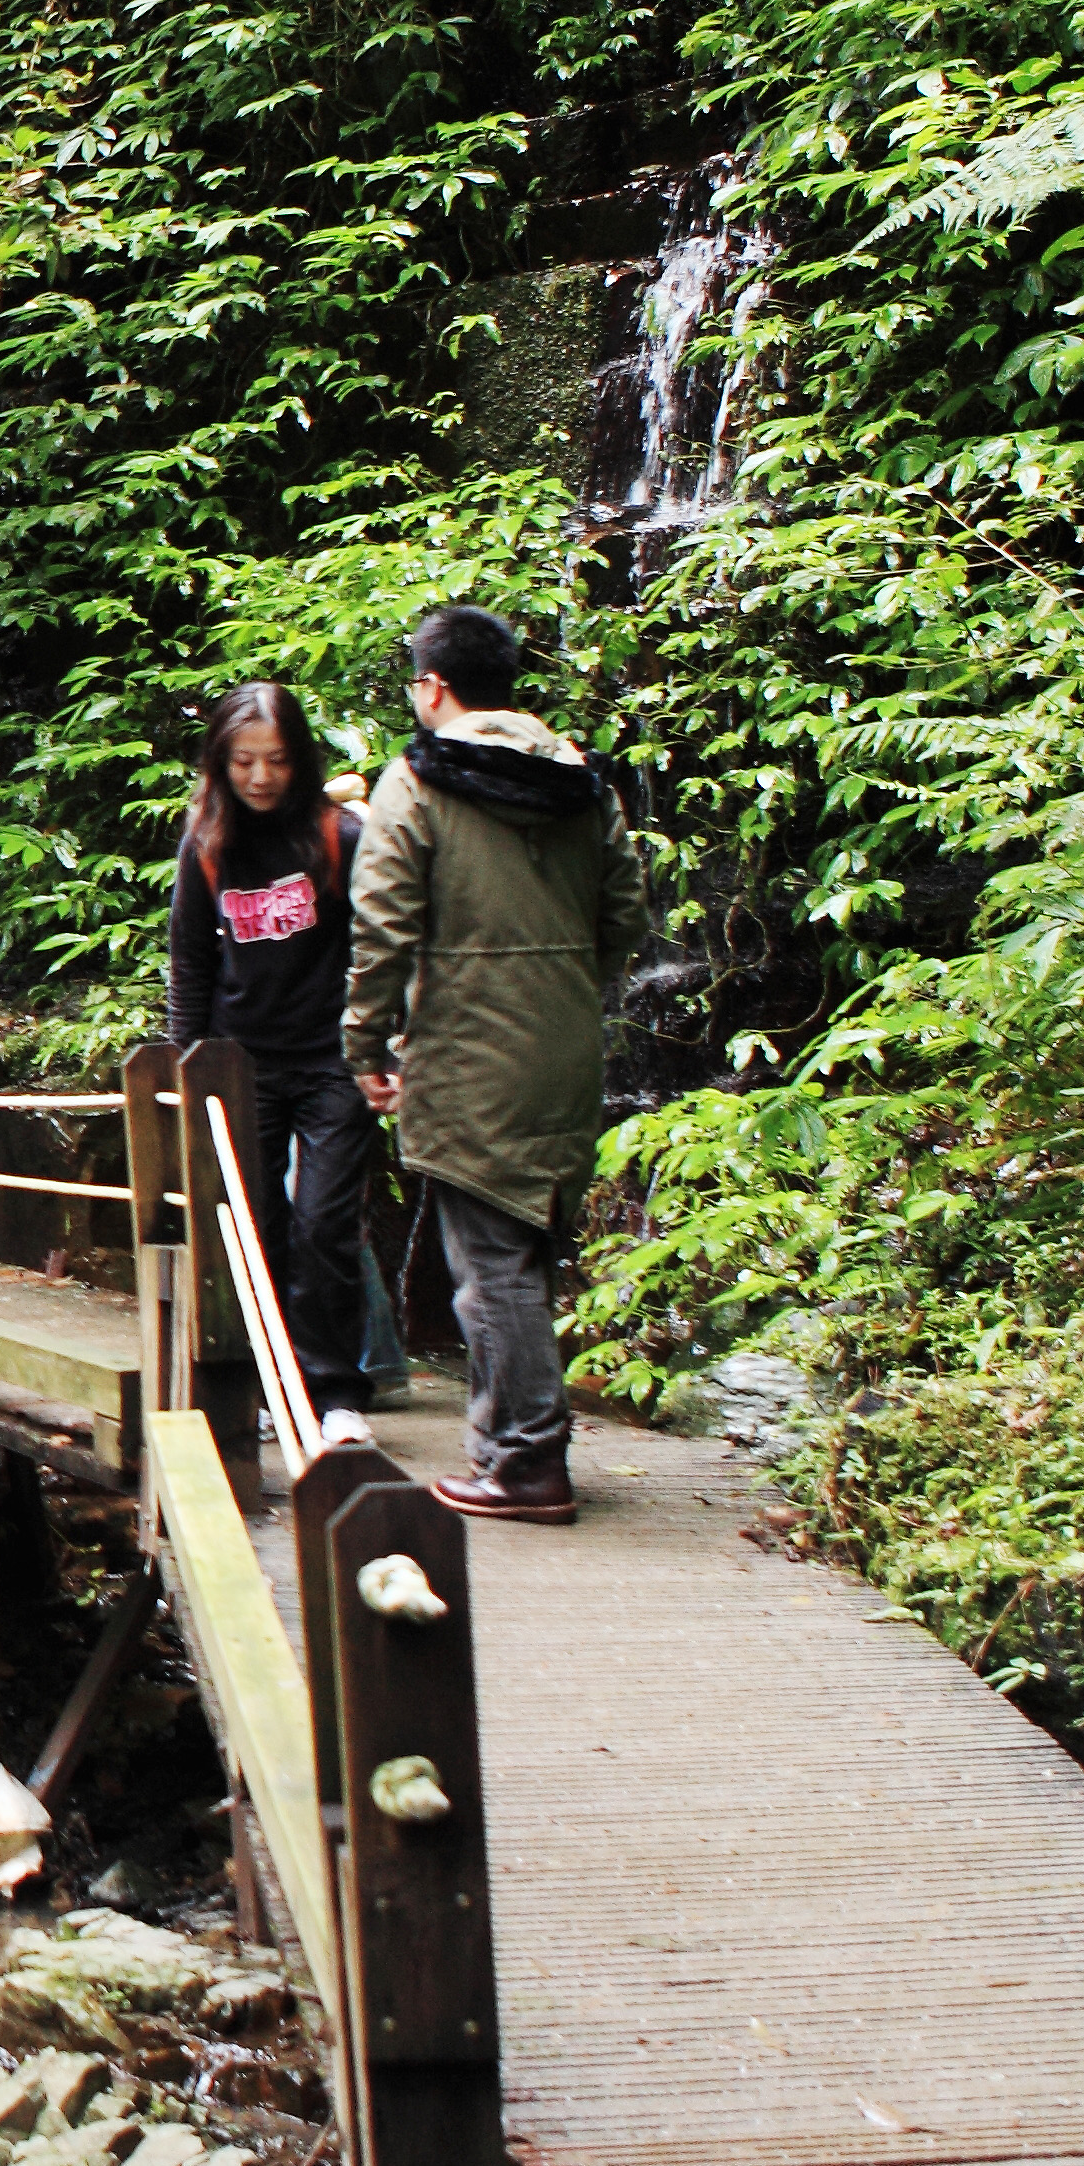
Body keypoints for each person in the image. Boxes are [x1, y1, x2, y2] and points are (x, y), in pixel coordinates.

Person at [342, 604, 650, 1526]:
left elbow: (383, 928)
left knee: (489, 1262)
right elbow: (626, 914)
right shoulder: (582, 777)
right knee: (528, 1247)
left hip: (467, 1042)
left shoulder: (417, 781)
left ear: (433, 686)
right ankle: (509, 1442)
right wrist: (568, 986)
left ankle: (525, 1459)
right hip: (563, 1042)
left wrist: (365, 1045)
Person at [168, 680, 372, 1415]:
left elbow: (383, 947)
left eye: (278, 760)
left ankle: (336, 1394)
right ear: (221, 763)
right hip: (239, 1064)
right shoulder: (207, 843)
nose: (260, 777)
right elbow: (191, 960)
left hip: (332, 1062)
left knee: (325, 1226)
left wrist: (382, 1041)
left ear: (301, 760)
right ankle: (270, 1385)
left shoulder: (339, 837)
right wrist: (188, 1067)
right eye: (245, 761)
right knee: (256, 1230)